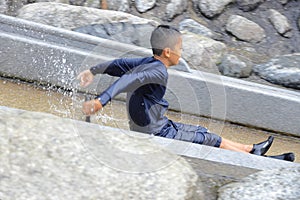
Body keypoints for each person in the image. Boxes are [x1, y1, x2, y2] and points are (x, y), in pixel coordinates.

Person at [77, 25, 274, 156]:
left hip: (161, 126)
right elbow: (129, 78)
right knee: (208, 138)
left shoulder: (148, 62)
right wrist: (100, 101)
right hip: (158, 135)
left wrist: (93, 70)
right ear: (168, 52)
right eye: (179, 48)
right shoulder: (158, 71)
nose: (181, 52)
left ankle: (250, 150)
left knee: (201, 130)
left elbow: (119, 65)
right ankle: (250, 154)